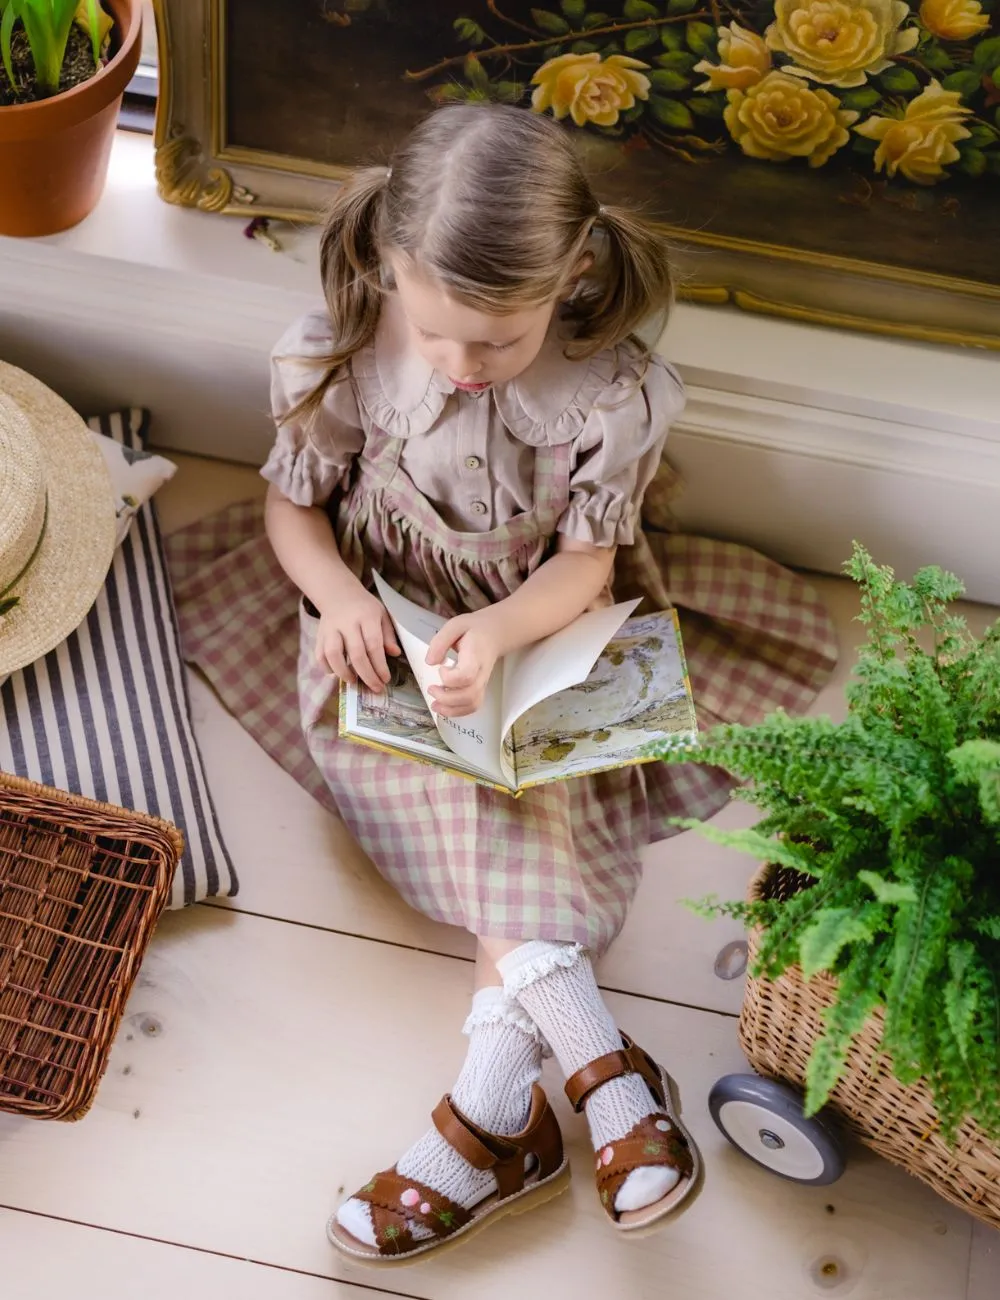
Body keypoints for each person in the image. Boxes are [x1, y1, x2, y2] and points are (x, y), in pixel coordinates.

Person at [260, 104, 836, 1264]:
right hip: (393, 622)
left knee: (537, 789)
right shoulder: (345, 342)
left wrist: (504, 630)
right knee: (459, 787)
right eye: (440, 337)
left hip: (542, 620)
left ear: (572, 276)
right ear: (390, 266)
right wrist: (341, 600)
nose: (465, 370)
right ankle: (595, 1073)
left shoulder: (604, 390)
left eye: (498, 342)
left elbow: (588, 561)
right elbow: (293, 509)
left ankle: (496, 1110)